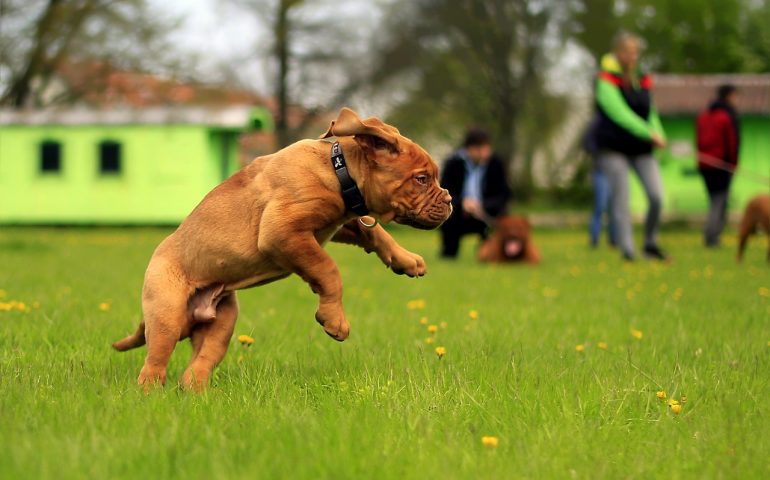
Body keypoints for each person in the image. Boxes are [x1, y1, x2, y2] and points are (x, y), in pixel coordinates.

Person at [594, 32, 668, 261]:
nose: (632, 56)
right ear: (617, 53)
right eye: (628, 52)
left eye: (636, 52)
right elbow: (618, 113)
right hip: (614, 148)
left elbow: (650, 111)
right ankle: (628, 250)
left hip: (642, 149)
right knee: (621, 200)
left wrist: (658, 133)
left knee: (656, 197)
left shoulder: (642, 78)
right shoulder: (605, 79)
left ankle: (650, 244)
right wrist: (647, 132)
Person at [439, 128, 511, 258]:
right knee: (448, 218)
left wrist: (482, 205)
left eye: (486, 147)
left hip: (487, 213)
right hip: (459, 212)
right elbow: (444, 191)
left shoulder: (496, 164)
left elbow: (503, 194)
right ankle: (449, 253)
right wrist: (462, 203)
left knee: (501, 218)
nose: (484, 152)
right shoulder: (453, 164)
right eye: (479, 148)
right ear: (469, 149)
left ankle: (491, 254)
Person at [696, 84, 740, 247]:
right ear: (729, 96)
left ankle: (712, 235)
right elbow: (732, 143)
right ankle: (712, 237)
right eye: (736, 96)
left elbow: (698, 142)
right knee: (719, 201)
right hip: (722, 165)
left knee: (715, 200)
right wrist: (733, 164)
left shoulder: (703, 116)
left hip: (704, 165)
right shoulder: (726, 117)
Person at [584, 113, 617, 248]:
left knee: (614, 207)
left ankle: (614, 240)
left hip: (616, 171)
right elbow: (587, 142)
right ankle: (594, 239)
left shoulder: (619, 120)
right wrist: (601, 152)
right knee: (600, 206)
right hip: (601, 170)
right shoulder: (598, 121)